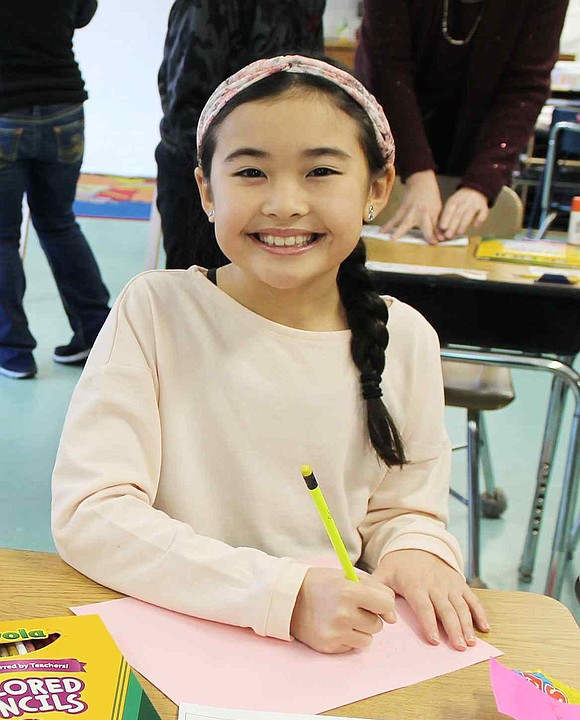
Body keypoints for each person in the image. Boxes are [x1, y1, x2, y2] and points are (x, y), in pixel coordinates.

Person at [52, 55, 489, 655]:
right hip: (172, 635)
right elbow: (92, 515)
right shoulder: (156, 310)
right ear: (207, 189)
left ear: (376, 189)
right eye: (251, 172)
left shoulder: (405, 337)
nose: (284, 203)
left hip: (335, 650)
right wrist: (283, 595)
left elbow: (402, 508)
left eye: (320, 172)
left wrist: (417, 550)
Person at [355, 0, 569, 243]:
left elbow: (525, 87)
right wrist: (416, 172)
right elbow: (386, 69)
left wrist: (482, 182)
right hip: (387, 143)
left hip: (479, 145)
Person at [156, 0, 326, 270]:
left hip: (283, 166)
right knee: (202, 291)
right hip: (208, 169)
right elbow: (186, 105)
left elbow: (313, 77)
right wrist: (236, 176)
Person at [0, 0, 111, 380]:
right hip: (64, 107)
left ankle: (13, 352)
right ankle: (97, 334)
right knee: (59, 223)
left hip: (4, 110)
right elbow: (83, 13)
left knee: (1, 237)